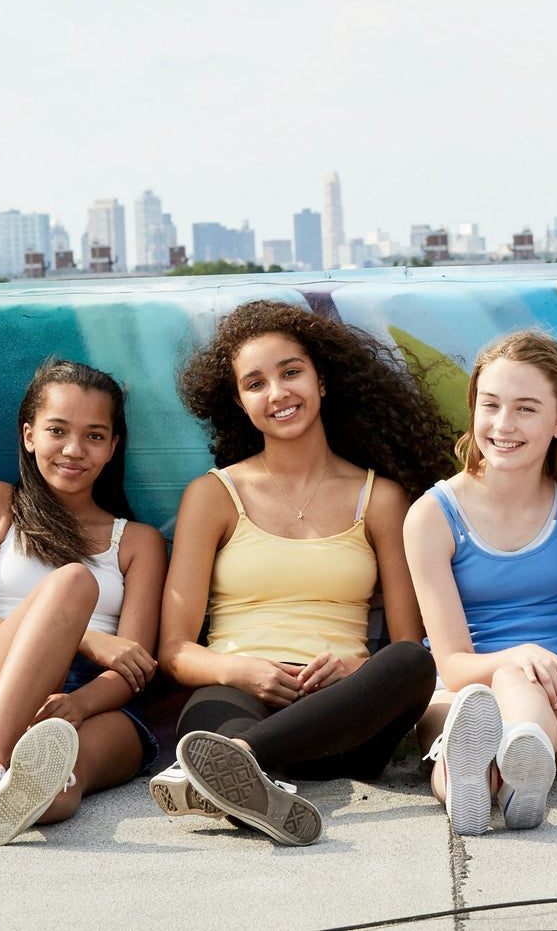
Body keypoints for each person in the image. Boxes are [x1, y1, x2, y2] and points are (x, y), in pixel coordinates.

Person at [153, 299, 452, 846]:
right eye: (256, 383)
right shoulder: (213, 495)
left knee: (413, 664)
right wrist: (241, 671)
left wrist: (354, 668)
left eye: (291, 372)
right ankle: (250, 780)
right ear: (239, 401)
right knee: (218, 729)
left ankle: (240, 766)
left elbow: (407, 641)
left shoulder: (380, 498)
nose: (278, 393)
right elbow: (174, 650)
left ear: (321, 381)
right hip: (237, 694)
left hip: (344, 715)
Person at [405, 330, 557, 835]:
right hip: (460, 688)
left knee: (514, 687)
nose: (503, 424)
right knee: (468, 717)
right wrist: (517, 657)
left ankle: (512, 762)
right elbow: (452, 662)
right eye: (490, 405)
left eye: (525, 409)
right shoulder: (432, 516)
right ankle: (486, 785)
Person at [0, 359, 166, 845]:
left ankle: (21, 799)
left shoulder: (137, 541)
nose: (73, 450)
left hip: (95, 702)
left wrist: (79, 704)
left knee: (62, 779)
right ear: (29, 436)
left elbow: (134, 666)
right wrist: (86, 639)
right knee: (73, 584)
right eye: (57, 431)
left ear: (113, 447)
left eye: (94, 436)